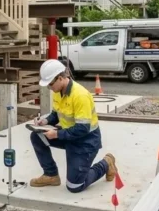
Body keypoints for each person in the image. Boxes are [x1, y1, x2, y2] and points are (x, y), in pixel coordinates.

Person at [29, 59, 117, 192]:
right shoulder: (58, 92)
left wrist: (57, 134)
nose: (49, 88)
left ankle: (106, 163)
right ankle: (51, 174)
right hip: (69, 135)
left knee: (75, 186)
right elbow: (56, 114)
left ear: (60, 78)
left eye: (50, 84)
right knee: (37, 136)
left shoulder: (80, 95)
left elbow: (82, 128)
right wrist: (45, 122)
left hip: (86, 141)